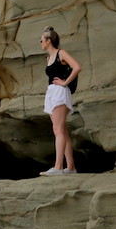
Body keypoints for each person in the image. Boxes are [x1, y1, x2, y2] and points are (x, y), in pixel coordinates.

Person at [40, 26, 82, 175]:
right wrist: (47, 29)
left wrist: (65, 82)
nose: (40, 43)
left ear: (49, 41)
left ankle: (58, 167)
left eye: (42, 40)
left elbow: (77, 67)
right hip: (51, 92)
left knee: (58, 130)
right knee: (61, 130)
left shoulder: (61, 53)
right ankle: (70, 167)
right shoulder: (48, 58)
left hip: (60, 91)